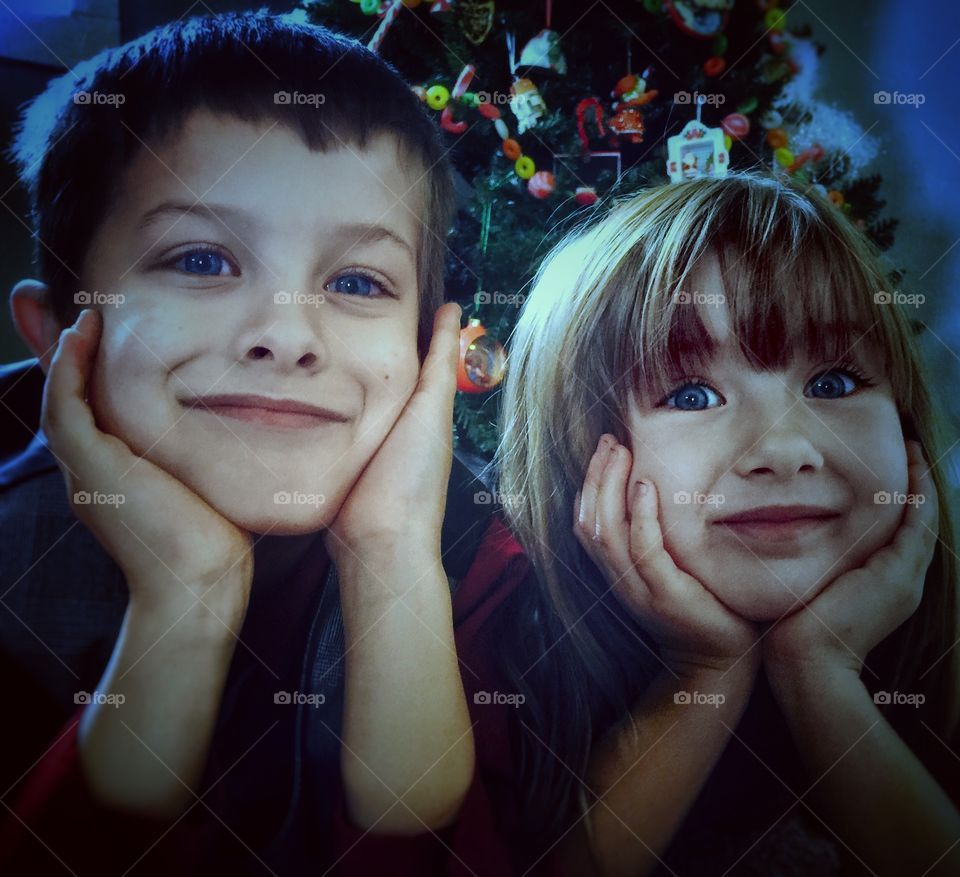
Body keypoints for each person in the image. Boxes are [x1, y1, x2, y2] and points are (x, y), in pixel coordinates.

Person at [0, 12, 548, 875]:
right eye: (203, 261)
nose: (288, 338)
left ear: (427, 347)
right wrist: (187, 595)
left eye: (357, 281)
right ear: (57, 330)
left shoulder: (490, 557)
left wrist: (391, 559)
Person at [494, 170, 960, 875]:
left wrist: (819, 676)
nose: (781, 450)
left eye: (831, 383)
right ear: (577, 458)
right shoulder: (504, 662)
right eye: (691, 393)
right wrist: (705, 669)